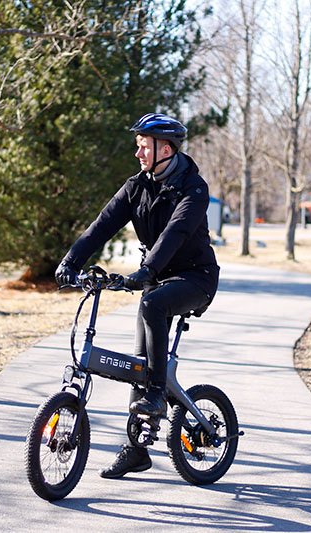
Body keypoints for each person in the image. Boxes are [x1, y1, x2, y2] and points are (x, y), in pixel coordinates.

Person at [54, 112, 220, 479]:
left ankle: (159, 394)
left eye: (144, 146)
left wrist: (146, 271)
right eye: (139, 146)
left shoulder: (194, 188)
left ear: (166, 148)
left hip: (195, 278)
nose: (139, 153)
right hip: (156, 279)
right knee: (139, 362)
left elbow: (174, 234)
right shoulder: (137, 186)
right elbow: (102, 225)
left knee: (152, 305)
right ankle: (136, 451)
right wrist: (70, 261)